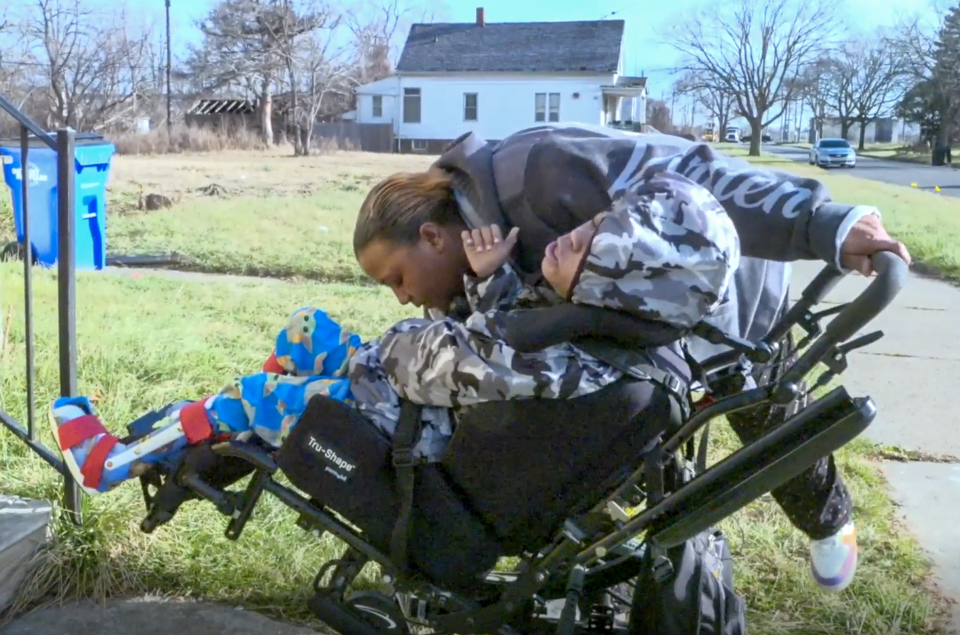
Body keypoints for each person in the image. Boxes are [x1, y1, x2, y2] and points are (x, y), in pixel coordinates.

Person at [352, 123, 912, 594]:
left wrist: (822, 223)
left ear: (431, 236)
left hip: (729, 299)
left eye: (396, 278)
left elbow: (696, 173)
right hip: (634, 337)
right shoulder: (477, 254)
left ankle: (829, 520)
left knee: (767, 419)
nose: (402, 297)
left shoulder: (535, 170)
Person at [50, 172, 735, 500]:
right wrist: (491, 285)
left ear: (627, 282)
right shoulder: (580, 327)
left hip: (398, 420)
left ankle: (111, 462)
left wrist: (417, 331)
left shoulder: (571, 357)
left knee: (253, 396)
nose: (567, 238)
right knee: (305, 328)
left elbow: (451, 363)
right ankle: (232, 431)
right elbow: (493, 344)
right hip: (396, 387)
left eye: (589, 244)